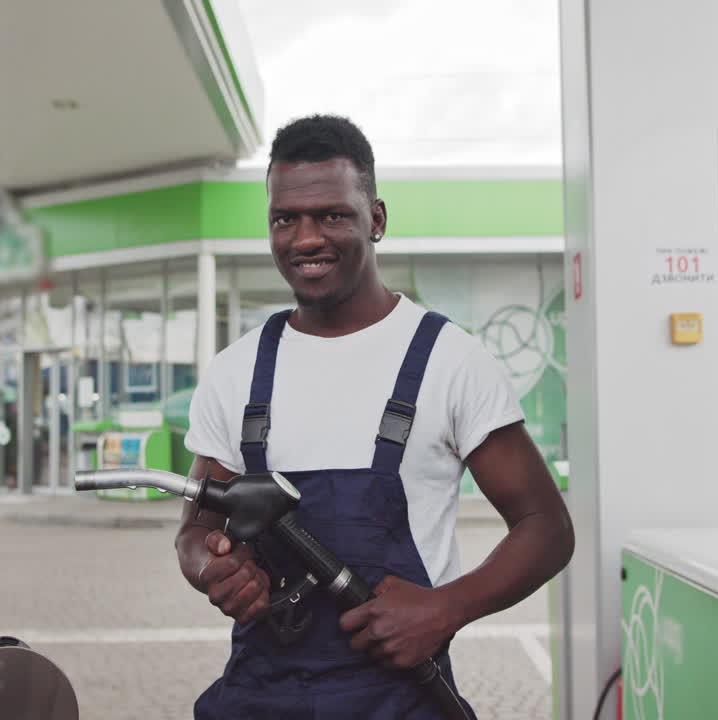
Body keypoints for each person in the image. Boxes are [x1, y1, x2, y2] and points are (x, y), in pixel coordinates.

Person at [177, 114, 574, 718]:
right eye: (285, 219)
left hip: (403, 698)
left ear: (377, 219)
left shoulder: (448, 360)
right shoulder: (236, 372)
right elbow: (193, 530)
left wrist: (447, 608)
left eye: (332, 215)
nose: (305, 238)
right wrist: (213, 568)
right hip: (260, 697)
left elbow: (546, 526)